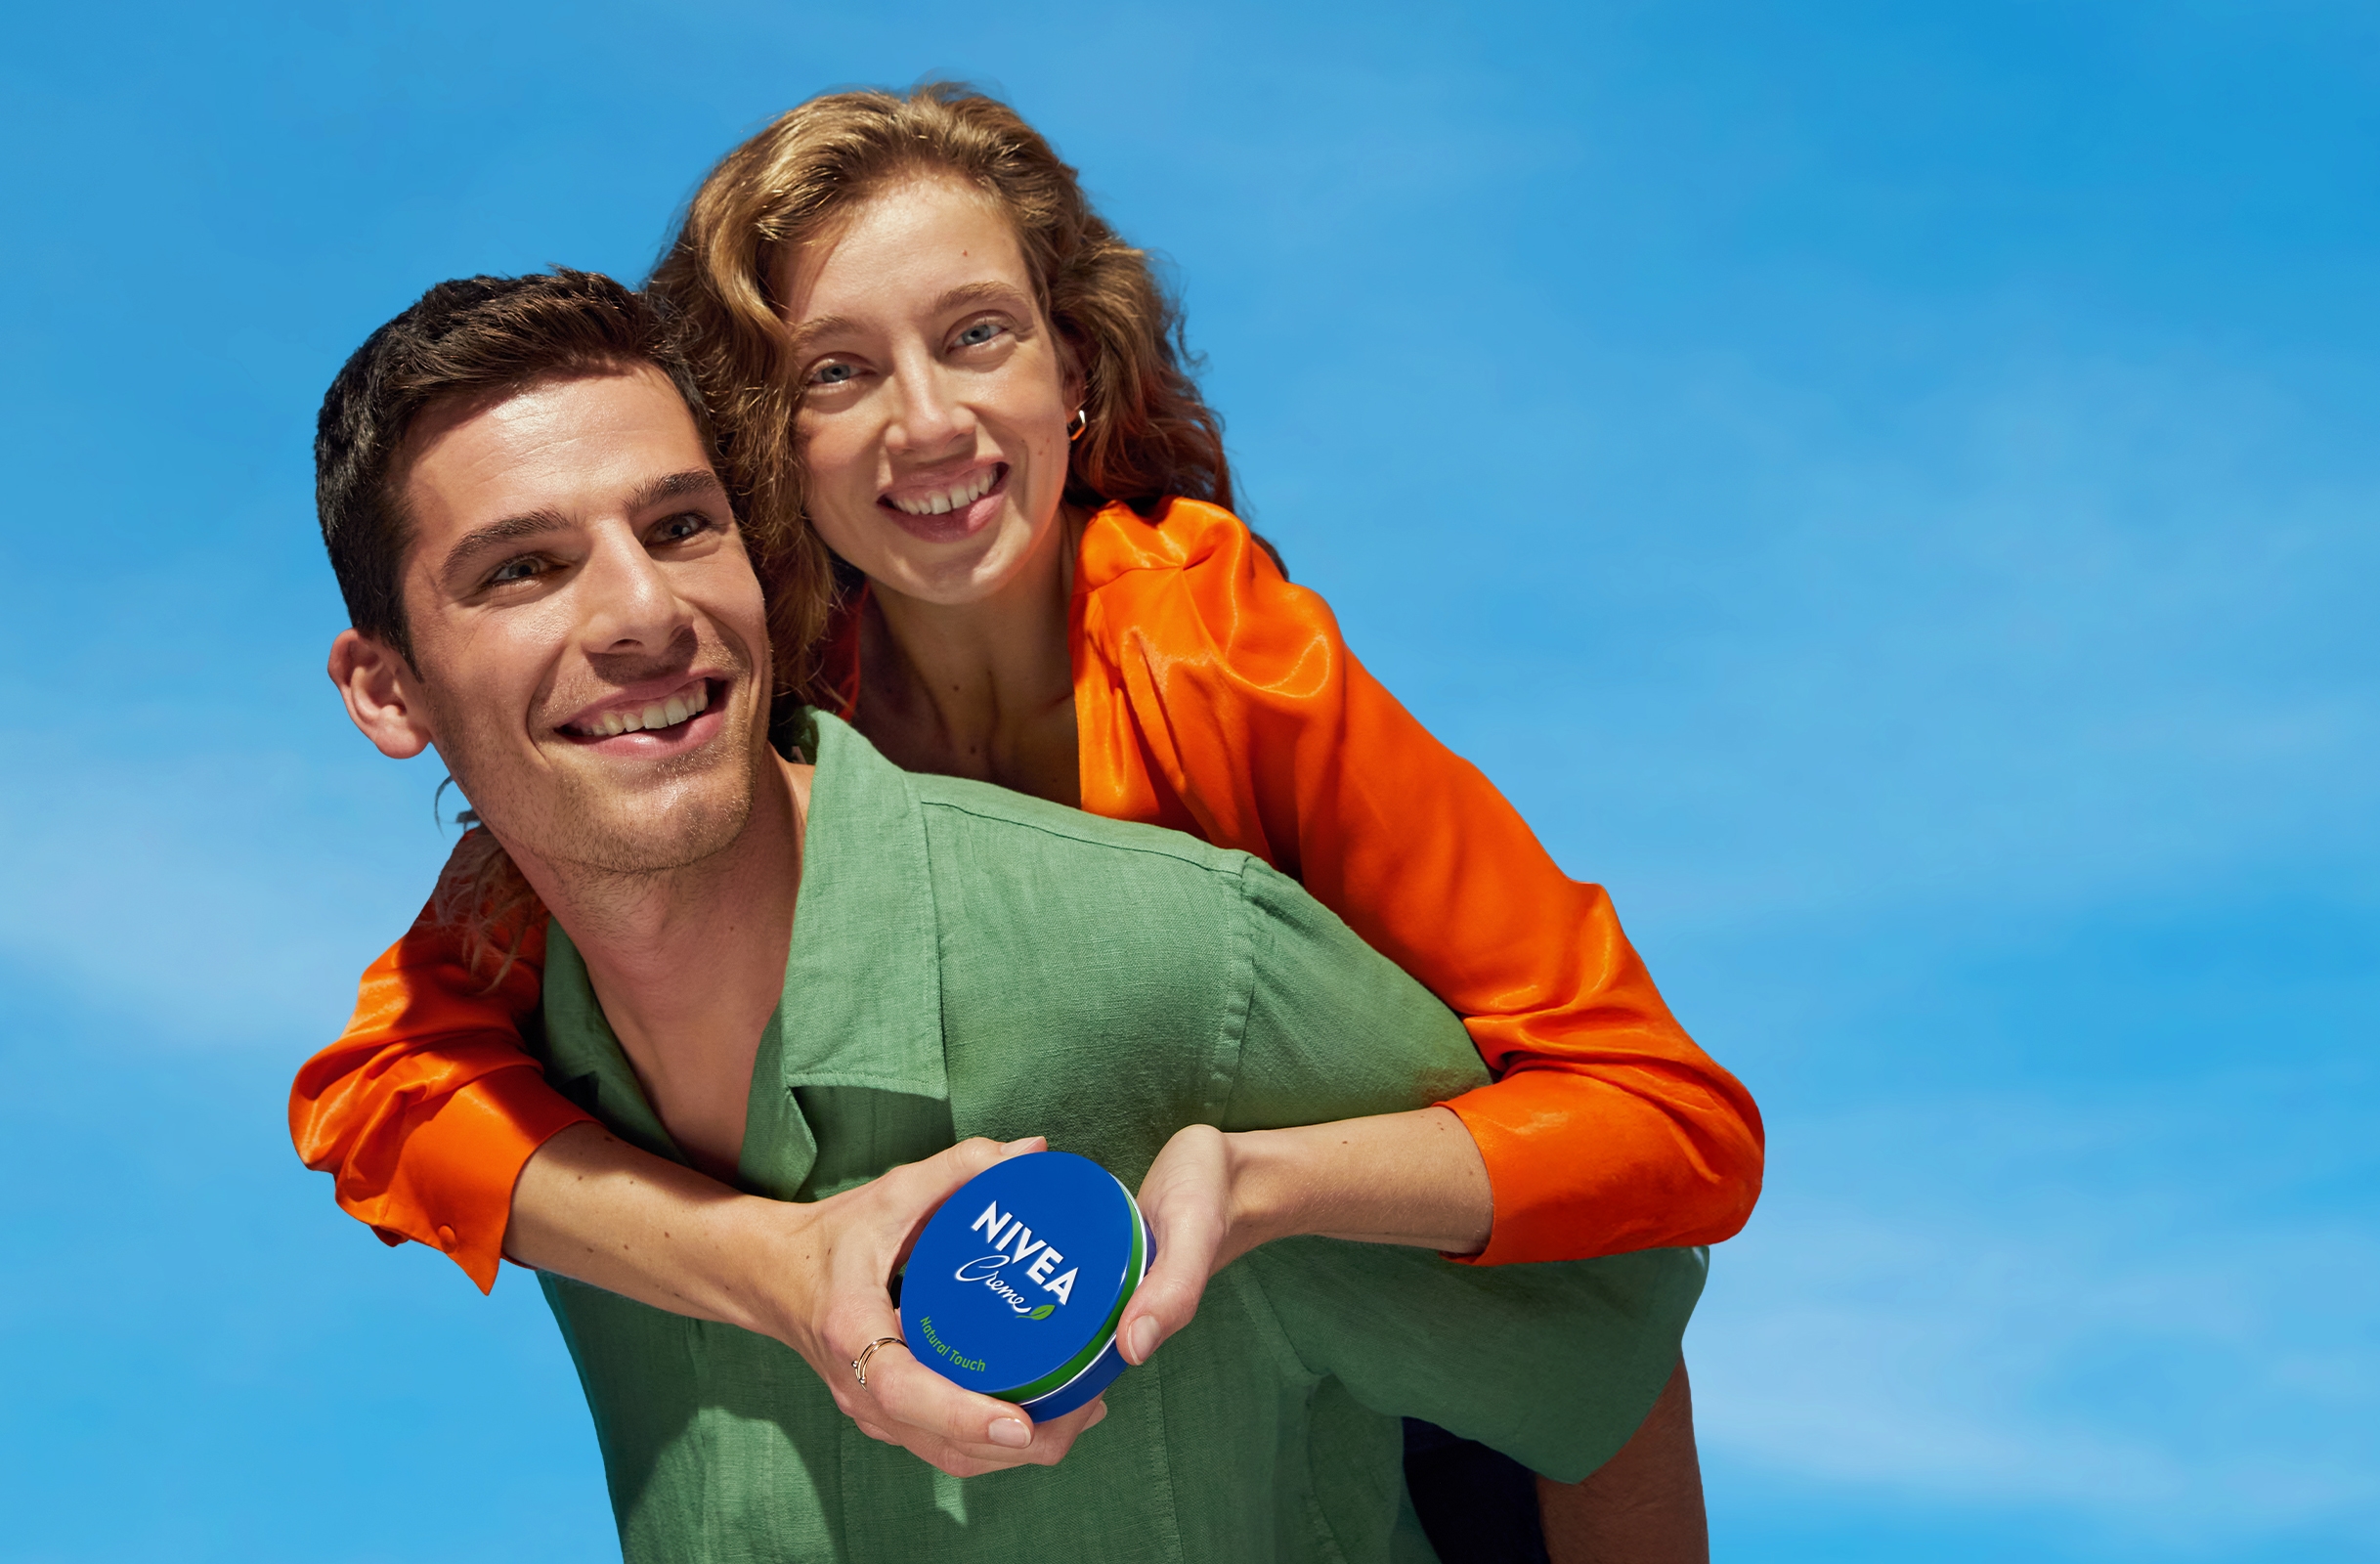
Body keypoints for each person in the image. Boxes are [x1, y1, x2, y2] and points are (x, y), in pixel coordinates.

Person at [288, 84, 1754, 1553]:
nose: (927, 423)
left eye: (976, 334)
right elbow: (373, 1092)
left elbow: (1671, 1135)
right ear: (766, 443)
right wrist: (762, 1259)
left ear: (1076, 368)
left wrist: (1271, 1179)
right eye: (836, 373)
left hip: (1394, 1342)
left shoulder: (1220, 655)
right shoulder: (756, 709)